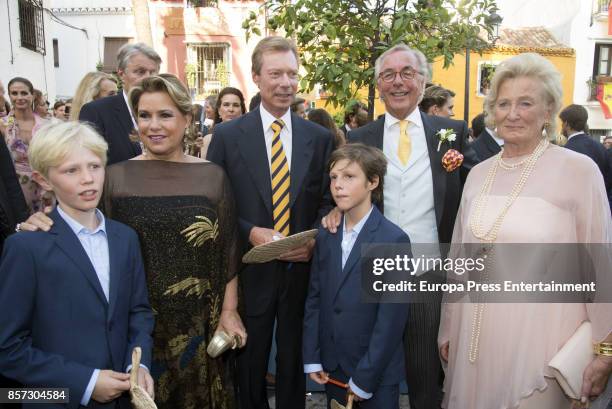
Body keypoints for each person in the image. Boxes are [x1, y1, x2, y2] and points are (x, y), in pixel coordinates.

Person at [438, 53, 612, 408]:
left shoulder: (579, 171)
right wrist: (449, 326)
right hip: (474, 341)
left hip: (544, 346)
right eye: (503, 103)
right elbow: (459, 258)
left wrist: (605, 350)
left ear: (548, 111)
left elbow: (602, 264)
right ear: (492, 111)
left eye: (525, 103)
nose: (512, 113)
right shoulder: (478, 174)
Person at [323, 43, 469, 409]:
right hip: (373, 271)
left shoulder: (451, 132)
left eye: (407, 73)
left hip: (427, 272)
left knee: (423, 371)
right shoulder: (361, 137)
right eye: (388, 75)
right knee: (370, 366)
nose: (398, 82)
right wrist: (334, 211)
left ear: (423, 81)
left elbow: (473, 187)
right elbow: (344, 187)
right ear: (378, 85)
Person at [207, 36, 334, 409]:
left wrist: (312, 240)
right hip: (248, 269)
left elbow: (328, 200)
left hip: (301, 269)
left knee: (294, 356)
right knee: (250, 357)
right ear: (257, 78)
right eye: (276, 73)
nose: (285, 83)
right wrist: (249, 231)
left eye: (292, 74)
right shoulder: (228, 136)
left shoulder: (320, 138)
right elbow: (216, 201)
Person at [0, 120, 155, 408]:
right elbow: (8, 349)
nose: (88, 179)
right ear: (43, 179)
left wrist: (141, 365)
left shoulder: (126, 238)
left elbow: (139, 313)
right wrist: (84, 383)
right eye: (71, 170)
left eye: (95, 166)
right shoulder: (26, 247)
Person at [304, 143, 410, 407]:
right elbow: (315, 298)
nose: (338, 185)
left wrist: (365, 377)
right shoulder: (326, 235)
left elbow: (391, 320)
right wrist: (312, 356)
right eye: (334, 178)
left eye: (349, 177)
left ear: (373, 181)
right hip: (333, 368)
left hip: (375, 373)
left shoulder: (392, 239)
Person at [79, 42, 161, 165]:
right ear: (121, 74)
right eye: (140, 72)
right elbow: (90, 164)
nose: (148, 78)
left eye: (153, 72)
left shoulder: (166, 112)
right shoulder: (96, 112)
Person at [1, 77, 52, 214]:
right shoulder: (3, 125)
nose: (19, 97)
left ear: (32, 95)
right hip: (15, 186)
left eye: (24, 93)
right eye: (14, 93)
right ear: (9, 96)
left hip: (45, 183)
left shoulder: (47, 125)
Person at [560, 104, 610, 195]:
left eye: (562, 123)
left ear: (566, 124)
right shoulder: (600, 147)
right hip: (598, 202)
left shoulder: (566, 151)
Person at [195, 87, 246, 159]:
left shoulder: (250, 137)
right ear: (219, 110)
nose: (231, 109)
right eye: (226, 105)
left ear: (242, 111)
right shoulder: (209, 140)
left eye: (236, 105)